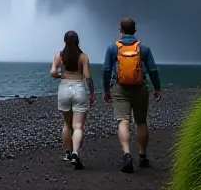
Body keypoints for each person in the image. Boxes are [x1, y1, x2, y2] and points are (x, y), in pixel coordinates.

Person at [102, 17, 161, 174]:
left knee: (123, 120)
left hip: (119, 88)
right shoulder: (144, 48)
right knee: (141, 122)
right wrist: (157, 88)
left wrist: (106, 90)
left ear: (120, 29)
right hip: (140, 88)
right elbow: (153, 70)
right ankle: (142, 156)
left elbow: (106, 70)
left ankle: (127, 154)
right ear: (135, 30)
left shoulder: (113, 48)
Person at [50, 30, 94, 168]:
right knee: (78, 126)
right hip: (79, 88)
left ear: (64, 41)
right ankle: (75, 153)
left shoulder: (59, 56)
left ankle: (68, 152)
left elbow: (52, 72)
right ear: (77, 41)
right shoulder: (83, 57)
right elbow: (87, 77)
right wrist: (92, 92)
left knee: (67, 125)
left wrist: (60, 76)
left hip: (64, 89)